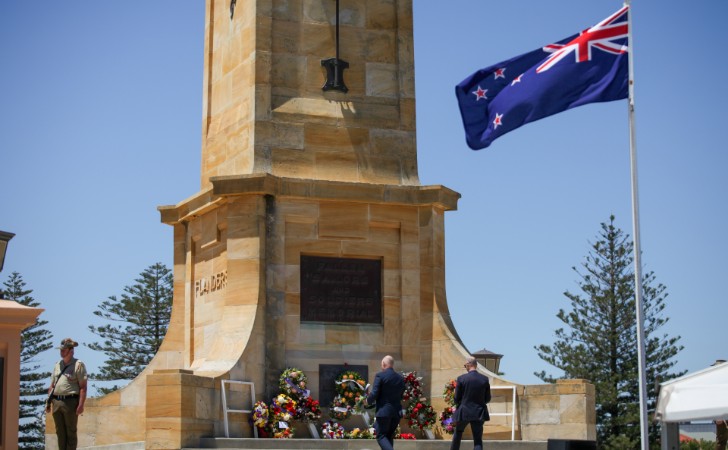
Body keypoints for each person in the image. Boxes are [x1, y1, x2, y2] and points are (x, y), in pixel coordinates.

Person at [46, 338, 88, 450]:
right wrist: (48, 402)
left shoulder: (78, 365)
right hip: (56, 401)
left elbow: (83, 387)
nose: (61, 352)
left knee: (71, 431)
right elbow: (52, 386)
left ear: (71, 351)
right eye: (61, 350)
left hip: (70, 401)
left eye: (64, 350)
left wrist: (81, 405)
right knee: (60, 432)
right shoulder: (57, 365)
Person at [450, 356, 491, 450]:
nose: (465, 367)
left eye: (465, 365)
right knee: (477, 439)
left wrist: (460, 403)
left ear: (469, 365)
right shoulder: (484, 379)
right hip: (479, 412)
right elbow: (487, 398)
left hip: (464, 412)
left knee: (458, 433)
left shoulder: (461, 378)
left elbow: (456, 398)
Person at [366, 355, 405, 450]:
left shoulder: (380, 375)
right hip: (396, 413)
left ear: (383, 364)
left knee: (381, 436)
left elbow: (374, 393)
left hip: (384, 413)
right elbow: (401, 396)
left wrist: (367, 401)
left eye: (381, 365)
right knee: (388, 437)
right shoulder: (400, 378)